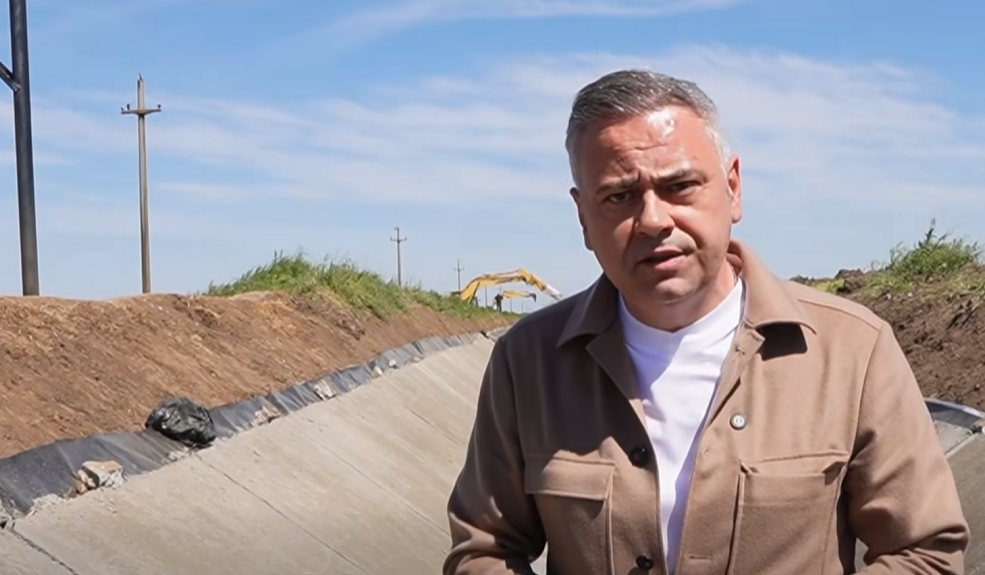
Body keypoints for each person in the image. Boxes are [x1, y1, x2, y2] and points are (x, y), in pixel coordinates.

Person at [443, 69, 969, 575]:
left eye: (679, 186)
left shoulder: (852, 350)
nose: (653, 220)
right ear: (583, 216)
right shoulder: (528, 362)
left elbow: (925, 551)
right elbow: (483, 549)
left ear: (732, 188)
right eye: (619, 196)